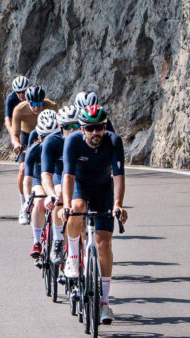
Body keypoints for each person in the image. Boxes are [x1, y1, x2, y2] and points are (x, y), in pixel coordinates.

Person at [60, 105, 129, 322]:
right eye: (90, 128)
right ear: (82, 129)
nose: (95, 133)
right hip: (79, 184)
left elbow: (118, 175)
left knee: (104, 244)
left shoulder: (114, 141)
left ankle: (105, 303)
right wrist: (66, 205)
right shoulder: (72, 141)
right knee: (77, 208)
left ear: (105, 126)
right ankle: (72, 258)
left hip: (102, 189)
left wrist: (118, 204)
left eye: (99, 127)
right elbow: (68, 175)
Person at [8, 85, 55, 222]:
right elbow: (14, 134)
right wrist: (16, 144)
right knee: (23, 169)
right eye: (33, 104)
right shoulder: (19, 109)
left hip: (48, 133)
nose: (37, 107)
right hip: (27, 134)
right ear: (28, 102)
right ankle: (24, 205)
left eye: (40, 103)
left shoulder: (52, 106)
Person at [24, 108, 62, 261]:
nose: (47, 141)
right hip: (38, 178)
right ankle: (37, 241)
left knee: (58, 197)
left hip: (56, 177)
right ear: (38, 136)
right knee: (39, 201)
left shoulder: (62, 147)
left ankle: (60, 239)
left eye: (51, 137)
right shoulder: (34, 150)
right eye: (44, 137)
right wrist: (27, 200)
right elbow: (27, 179)